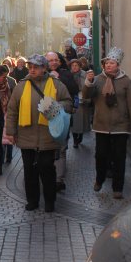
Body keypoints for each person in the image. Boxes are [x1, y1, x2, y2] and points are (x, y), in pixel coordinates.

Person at [5, 54, 72, 213]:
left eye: (36, 67)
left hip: (49, 135)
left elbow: (69, 103)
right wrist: (10, 131)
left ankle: (49, 201)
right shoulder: (21, 85)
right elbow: (12, 109)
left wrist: (54, 106)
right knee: (29, 170)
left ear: (44, 68)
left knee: (47, 169)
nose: (32, 69)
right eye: (31, 67)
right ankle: (32, 200)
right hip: (26, 135)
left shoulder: (56, 84)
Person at [83, 47, 131, 199]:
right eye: (106, 63)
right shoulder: (97, 79)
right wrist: (88, 83)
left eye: (111, 63)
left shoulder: (126, 81)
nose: (108, 65)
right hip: (101, 125)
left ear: (118, 65)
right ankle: (99, 179)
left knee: (119, 158)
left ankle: (118, 188)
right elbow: (86, 96)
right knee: (100, 155)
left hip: (120, 126)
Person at [46, 51, 79, 193]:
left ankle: (59, 179)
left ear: (59, 61)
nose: (53, 63)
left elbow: (74, 90)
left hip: (62, 117)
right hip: (44, 118)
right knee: (46, 149)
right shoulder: (41, 75)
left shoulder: (65, 74)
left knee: (61, 149)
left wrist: (59, 78)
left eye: (55, 60)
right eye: (50, 60)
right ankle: (47, 176)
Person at [69, 59, 90, 148]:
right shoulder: (68, 75)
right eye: (73, 65)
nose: (74, 67)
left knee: (82, 122)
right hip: (72, 100)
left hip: (82, 100)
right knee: (74, 122)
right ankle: (75, 140)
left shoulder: (84, 74)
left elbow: (89, 86)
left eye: (76, 65)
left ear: (79, 66)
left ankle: (80, 136)